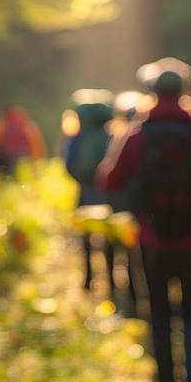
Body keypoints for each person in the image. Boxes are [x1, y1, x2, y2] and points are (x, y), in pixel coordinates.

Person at [97, 67, 191, 382]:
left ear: (150, 91)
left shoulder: (135, 134)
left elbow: (108, 181)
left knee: (158, 312)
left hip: (151, 240)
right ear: (185, 90)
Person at [64, 90, 117, 294]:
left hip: (85, 193)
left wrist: (82, 181)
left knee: (86, 236)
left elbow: (68, 165)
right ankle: (111, 281)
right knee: (110, 237)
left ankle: (88, 280)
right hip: (108, 195)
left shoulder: (77, 137)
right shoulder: (110, 135)